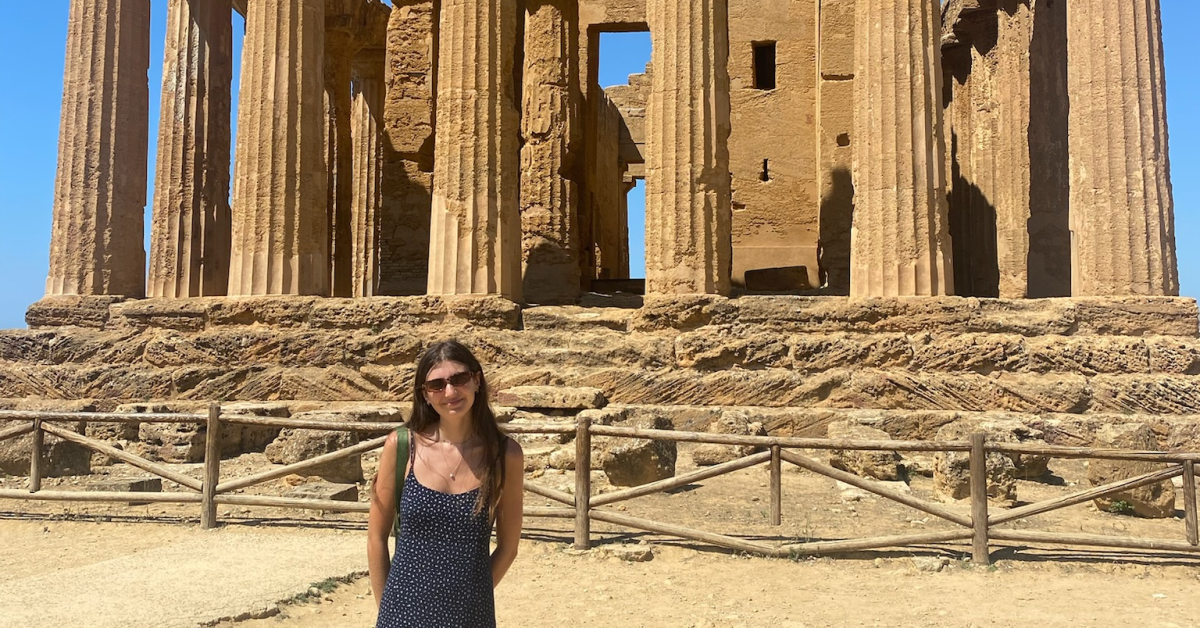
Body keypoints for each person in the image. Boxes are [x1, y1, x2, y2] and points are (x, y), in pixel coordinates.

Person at [368, 339, 524, 628]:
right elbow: (376, 538)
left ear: (477, 381)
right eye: (436, 385)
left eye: (459, 379)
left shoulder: (505, 455)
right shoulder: (401, 446)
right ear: (425, 395)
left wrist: (470, 597)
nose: (450, 392)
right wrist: (386, 609)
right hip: (402, 616)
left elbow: (509, 548)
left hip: (470, 618)